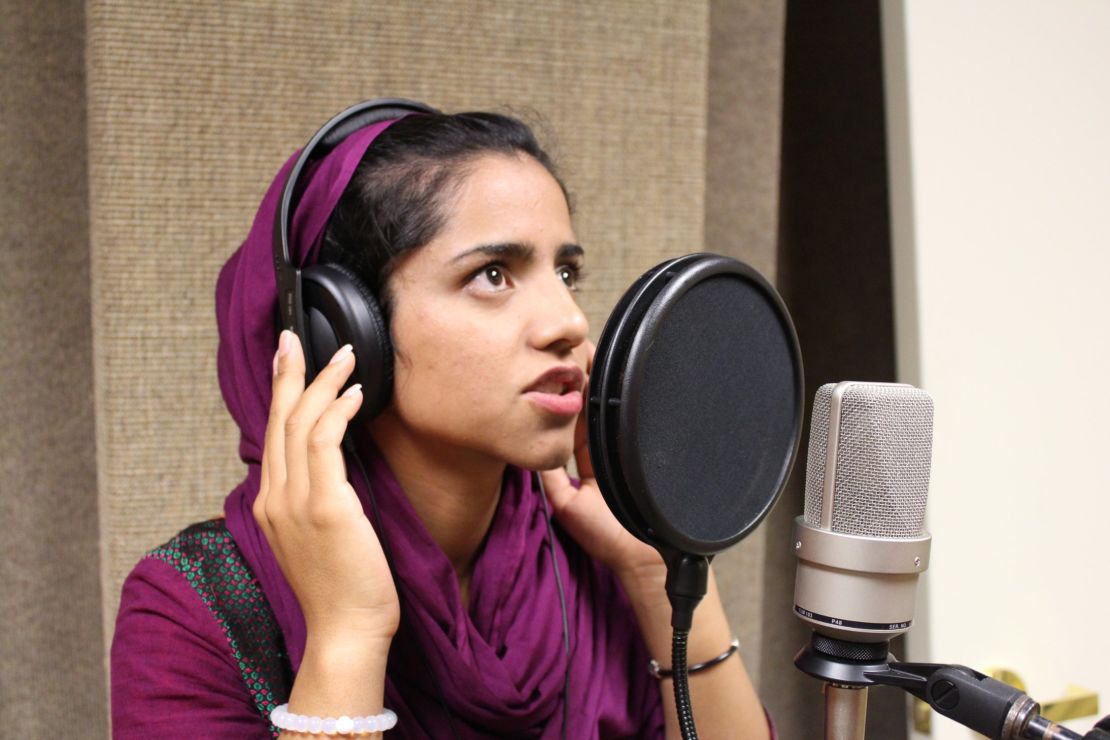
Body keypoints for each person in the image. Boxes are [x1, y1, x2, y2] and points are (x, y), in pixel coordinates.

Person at [110, 103, 774, 739]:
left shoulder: (600, 564)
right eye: (493, 274)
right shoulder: (191, 612)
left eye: (566, 273)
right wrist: (347, 634)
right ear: (343, 328)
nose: (569, 323)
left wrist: (655, 573)